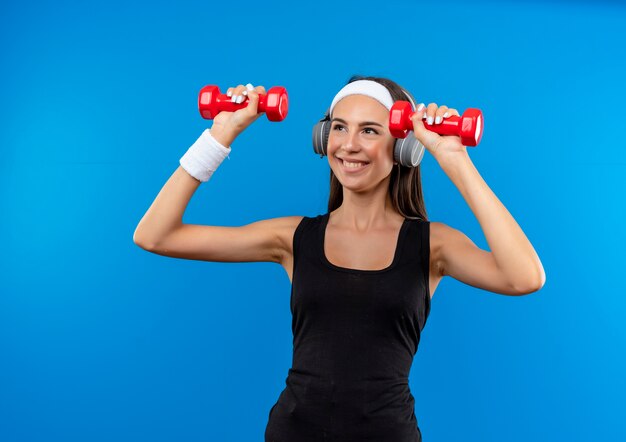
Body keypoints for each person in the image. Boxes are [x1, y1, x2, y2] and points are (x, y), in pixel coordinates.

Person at [133, 75, 546, 441]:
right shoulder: (292, 238)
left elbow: (524, 277)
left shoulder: (434, 245)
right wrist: (218, 136)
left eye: (369, 130)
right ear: (322, 139)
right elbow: (155, 235)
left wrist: (455, 161)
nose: (349, 145)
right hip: (292, 432)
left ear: (404, 147)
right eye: (339, 128)